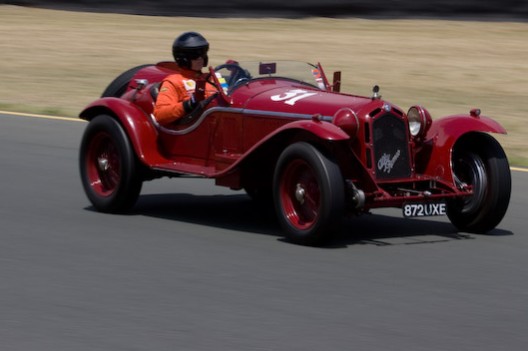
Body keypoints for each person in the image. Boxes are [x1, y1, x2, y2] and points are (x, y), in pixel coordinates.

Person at [153, 31, 214, 125]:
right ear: (183, 58)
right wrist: (189, 104)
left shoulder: (213, 78)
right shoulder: (173, 82)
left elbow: (228, 95)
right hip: (195, 128)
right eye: (195, 55)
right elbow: (160, 114)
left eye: (203, 53)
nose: (200, 58)